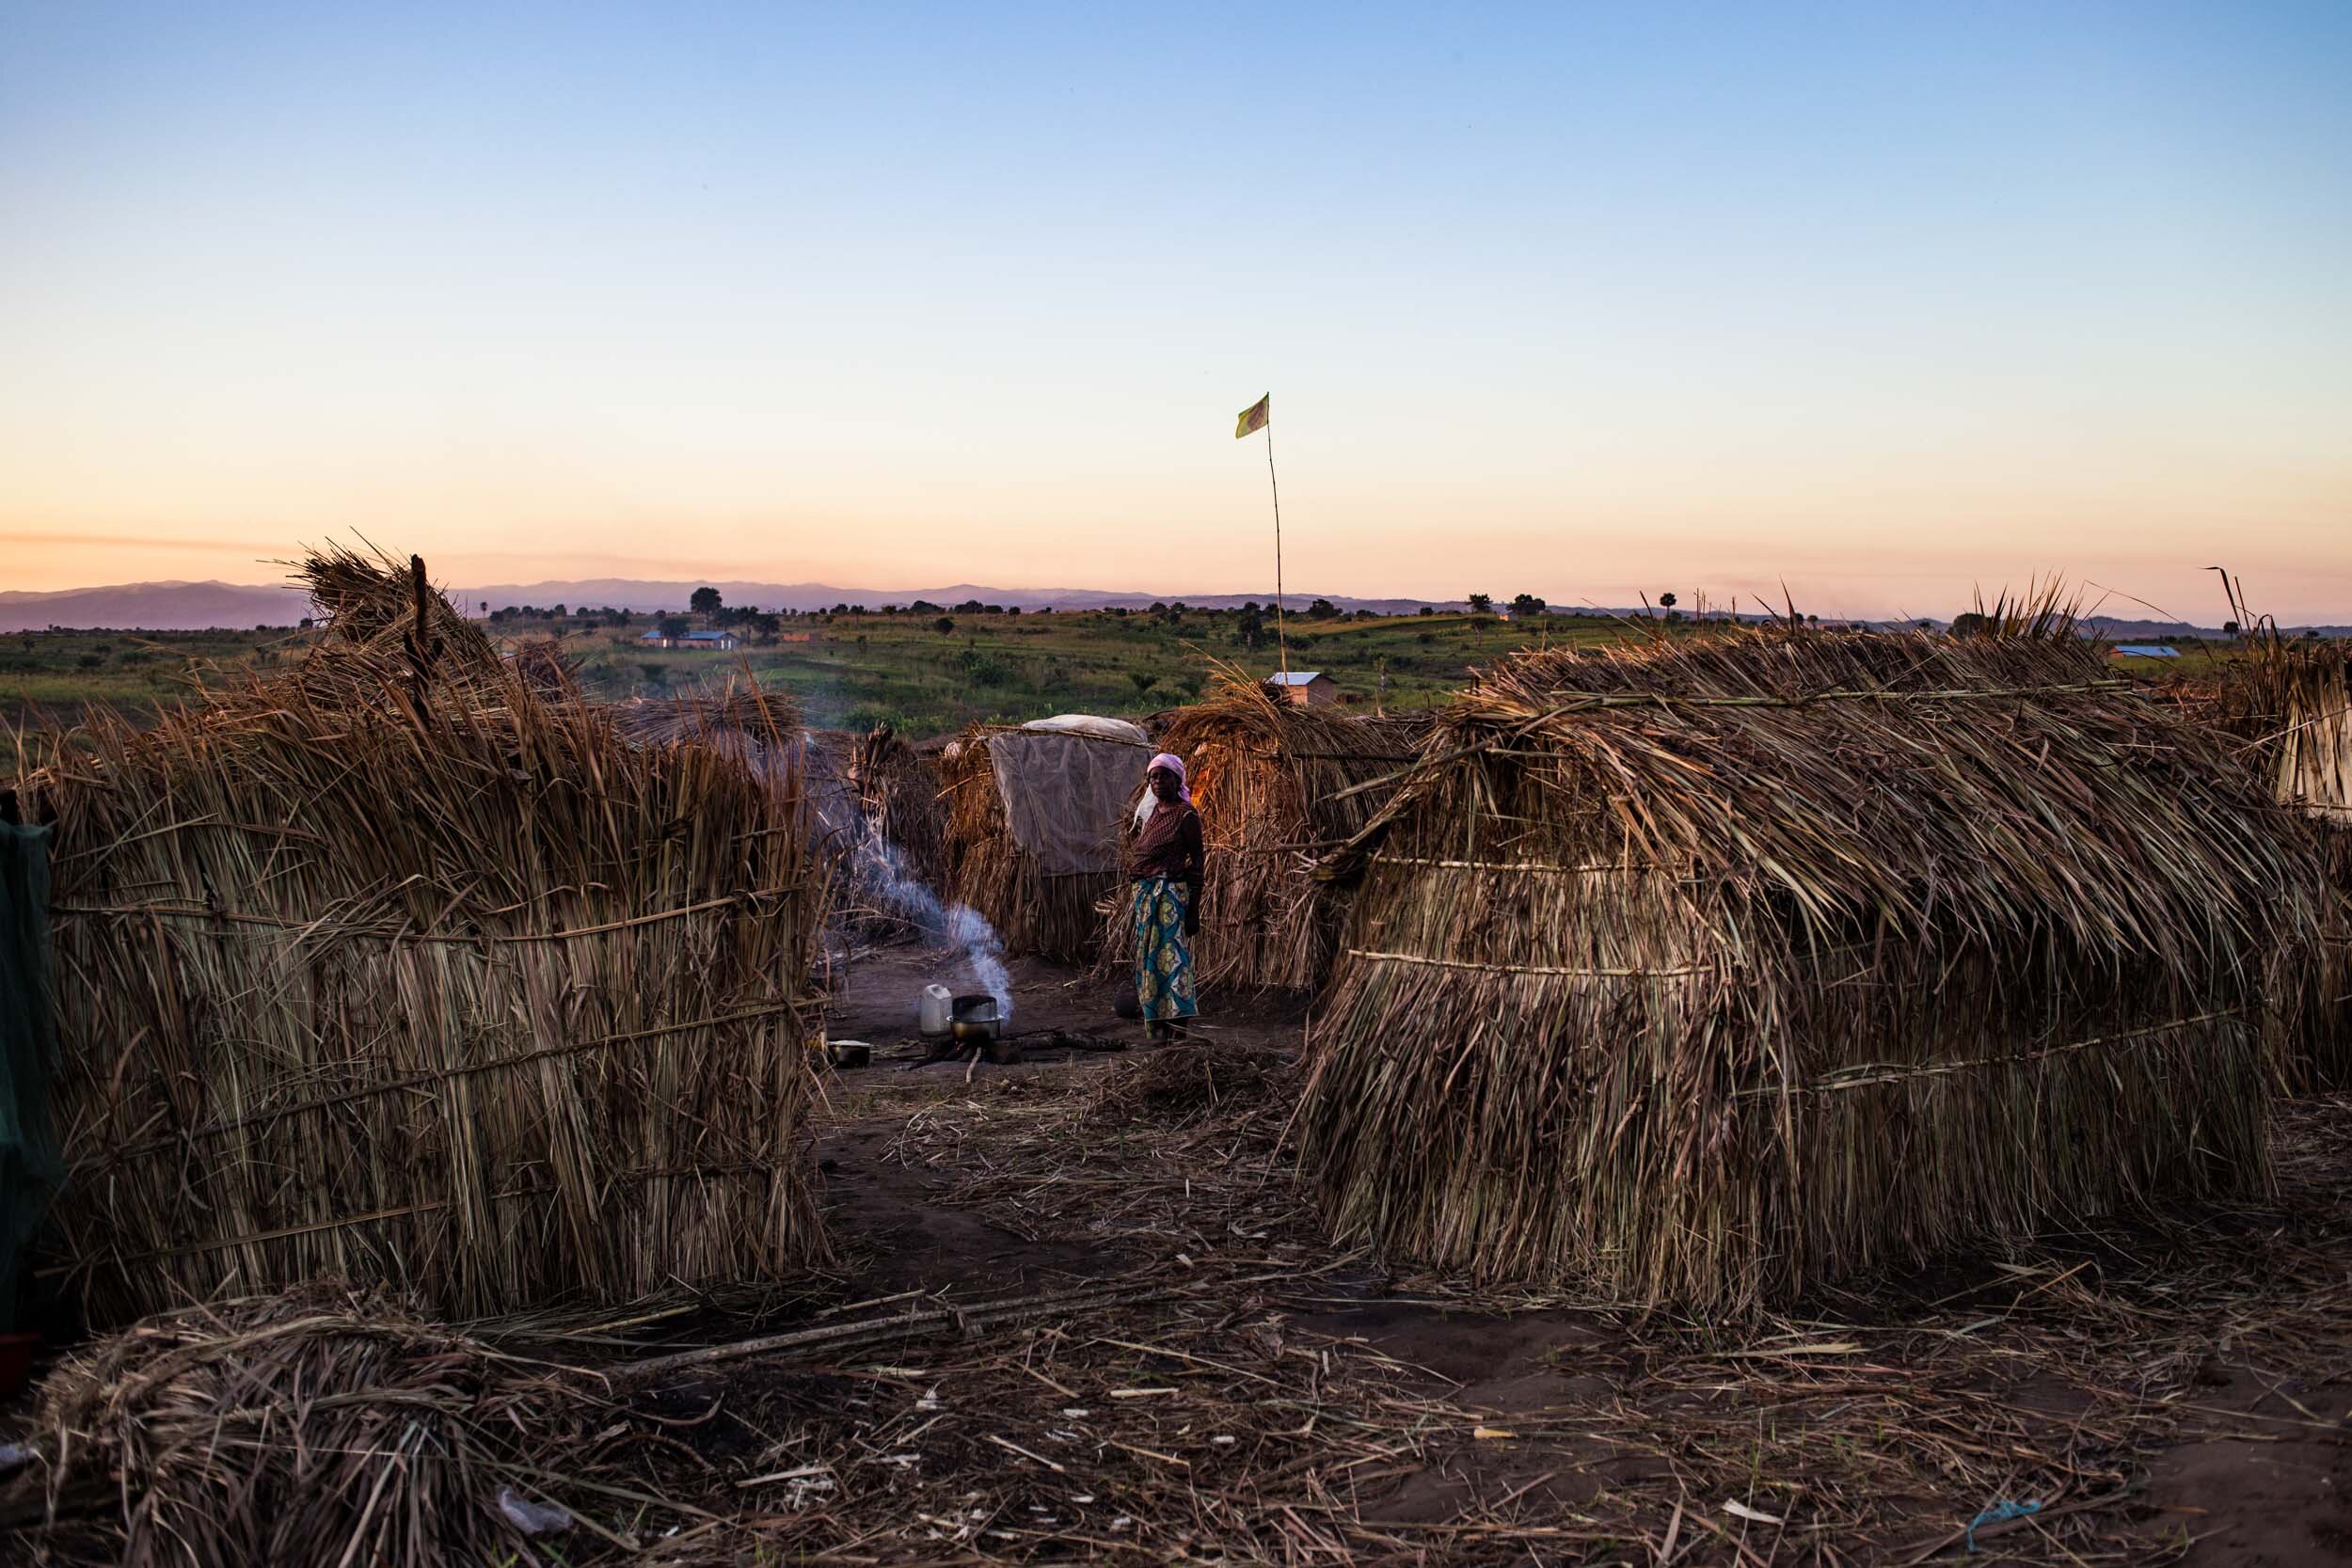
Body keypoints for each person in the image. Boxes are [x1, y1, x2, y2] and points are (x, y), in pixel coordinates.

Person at [1128, 751, 1203, 1041]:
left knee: (1174, 964)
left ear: (1177, 780)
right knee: (1150, 963)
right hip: (1147, 899)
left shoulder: (1186, 815)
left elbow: (1197, 863)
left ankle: (1179, 1030)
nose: (1158, 781)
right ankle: (1159, 1025)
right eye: (1154, 777)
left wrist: (1193, 910)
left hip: (1169, 898)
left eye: (1164, 776)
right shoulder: (1153, 813)